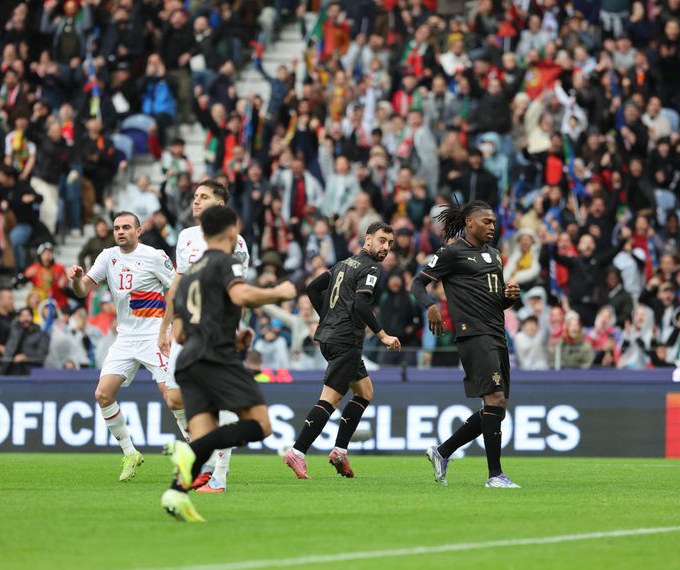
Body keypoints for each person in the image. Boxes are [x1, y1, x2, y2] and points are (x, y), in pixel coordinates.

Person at [160, 205, 297, 522]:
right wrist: (279, 292)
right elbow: (240, 296)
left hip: (188, 361)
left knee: (207, 434)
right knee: (261, 425)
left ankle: (175, 493)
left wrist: (234, 339)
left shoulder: (188, 274)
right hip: (214, 358)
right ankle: (189, 452)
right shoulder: (226, 262)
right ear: (233, 231)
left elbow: (179, 332)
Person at [411, 201, 521, 488]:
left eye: (494, 222)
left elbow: (497, 303)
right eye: (487, 222)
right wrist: (431, 306)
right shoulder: (452, 252)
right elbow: (417, 284)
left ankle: (442, 451)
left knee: (498, 408)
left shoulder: (495, 256)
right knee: (494, 399)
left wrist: (509, 296)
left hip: (497, 333)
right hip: (473, 334)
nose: (492, 227)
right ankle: (495, 475)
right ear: (470, 223)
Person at [283, 222, 401, 480]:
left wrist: (327, 317)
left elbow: (313, 287)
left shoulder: (344, 263)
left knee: (365, 392)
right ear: (367, 238)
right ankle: (297, 451)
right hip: (346, 341)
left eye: (390, 244)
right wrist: (381, 334)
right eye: (381, 240)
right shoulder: (371, 268)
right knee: (330, 399)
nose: (385, 247)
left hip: (331, 337)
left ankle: (339, 451)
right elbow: (360, 303)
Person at [67, 211, 178, 482]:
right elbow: (82, 290)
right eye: (117, 227)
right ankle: (130, 452)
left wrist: (170, 329)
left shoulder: (155, 256)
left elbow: (177, 290)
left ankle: (199, 453)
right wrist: (75, 279)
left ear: (138, 231)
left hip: (155, 334)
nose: (120, 231)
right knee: (103, 394)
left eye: (127, 227)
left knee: (171, 396)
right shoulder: (107, 257)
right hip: (126, 338)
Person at [158, 179, 250, 494]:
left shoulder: (233, 240)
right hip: (185, 329)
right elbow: (177, 284)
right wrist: (165, 326)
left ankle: (218, 477)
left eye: (204, 197)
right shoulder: (185, 237)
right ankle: (205, 456)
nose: (196, 201)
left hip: (215, 330)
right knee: (174, 396)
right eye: (195, 196)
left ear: (221, 205)